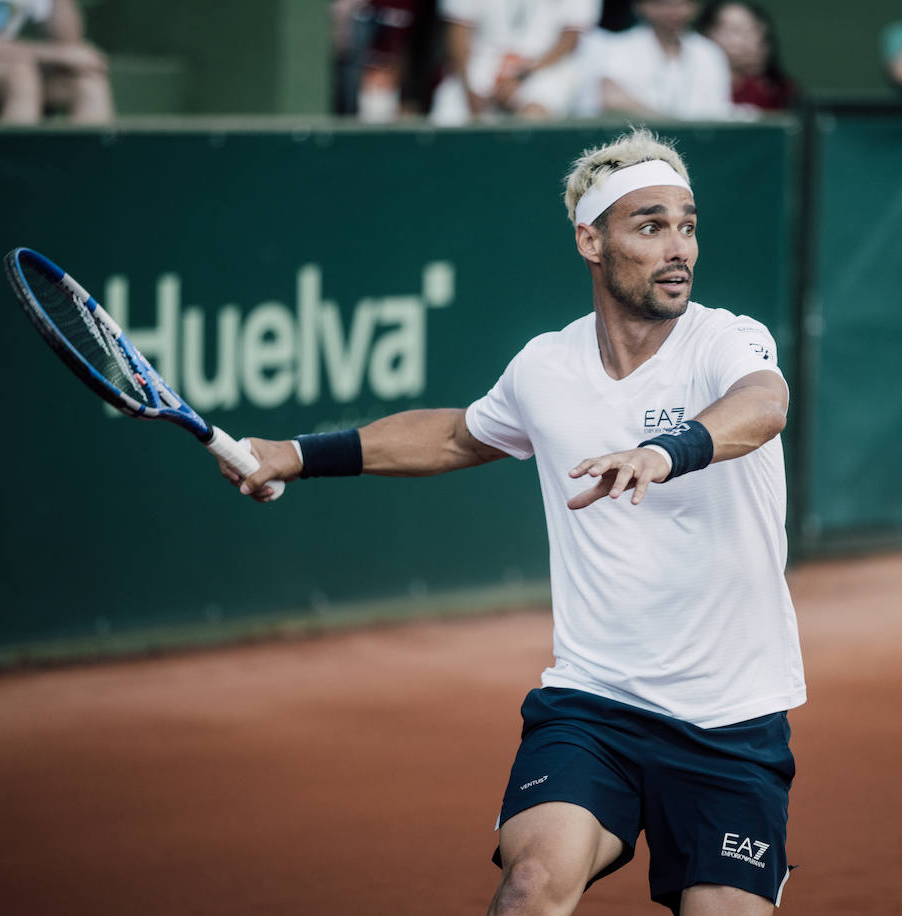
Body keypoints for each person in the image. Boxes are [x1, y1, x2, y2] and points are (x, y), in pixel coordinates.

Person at [222, 128, 807, 915]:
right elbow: (460, 434)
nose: (679, 248)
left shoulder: (725, 338)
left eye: (687, 224)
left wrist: (667, 452)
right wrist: (294, 453)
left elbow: (764, 406)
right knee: (530, 888)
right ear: (590, 240)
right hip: (594, 703)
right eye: (650, 225)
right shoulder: (546, 367)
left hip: (729, 718)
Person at [428, 0, 599, 125]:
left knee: (536, 113)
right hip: (482, 62)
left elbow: (570, 40)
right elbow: (458, 31)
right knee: (449, 111)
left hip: (543, 66)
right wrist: (469, 91)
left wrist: (519, 78)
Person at [0, 0, 113, 124]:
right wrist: (57, 54)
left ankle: (87, 170)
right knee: (20, 75)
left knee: (88, 81)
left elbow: (69, 41)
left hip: (0, 65)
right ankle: (14, 170)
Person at [594, 0, 733, 119]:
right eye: (664, 4)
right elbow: (612, 100)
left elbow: (719, 109)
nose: (674, 12)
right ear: (642, 6)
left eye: (683, 4)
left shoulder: (709, 52)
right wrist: (668, 123)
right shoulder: (620, 47)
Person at [697, 0, 797, 112]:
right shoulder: (694, 82)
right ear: (707, 33)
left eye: (753, 29)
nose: (748, 39)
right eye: (735, 30)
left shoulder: (773, 90)